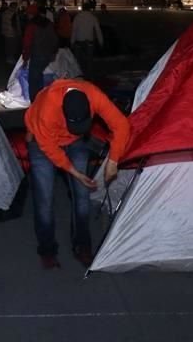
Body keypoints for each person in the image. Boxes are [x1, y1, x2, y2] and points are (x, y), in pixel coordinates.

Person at [24, 79, 130, 269]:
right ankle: (47, 250)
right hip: (42, 144)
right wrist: (75, 173)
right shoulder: (47, 109)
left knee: (82, 196)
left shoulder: (93, 95)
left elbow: (121, 124)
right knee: (44, 200)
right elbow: (50, 149)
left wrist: (113, 161)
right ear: (64, 113)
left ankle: (82, 246)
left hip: (75, 142)